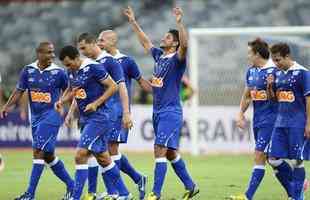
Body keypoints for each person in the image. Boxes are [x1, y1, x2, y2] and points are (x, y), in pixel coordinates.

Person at [124, 6, 198, 200]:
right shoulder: (159, 56)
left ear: (174, 44)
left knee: (159, 149)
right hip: (157, 111)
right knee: (171, 153)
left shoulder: (177, 59)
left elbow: (185, 46)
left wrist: (179, 23)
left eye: (167, 37)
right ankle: (190, 186)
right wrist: (133, 22)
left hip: (171, 112)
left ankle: (155, 194)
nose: (163, 39)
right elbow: (145, 42)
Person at [0, 42, 74, 200]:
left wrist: (64, 104)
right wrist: (6, 106)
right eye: (49, 52)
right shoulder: (28, 70)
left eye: (53, 52)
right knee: (48, 155)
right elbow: (19, 90)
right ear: (39, 53)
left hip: (52, 116)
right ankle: (72, 185)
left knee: (38, 152)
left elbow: (72, 89)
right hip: (35, 118)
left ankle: (30, 194)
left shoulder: (58, 72)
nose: (52, 56)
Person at [57, 45, 132, 200]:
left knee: (80, 154)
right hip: (86, 118)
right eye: (65, 65)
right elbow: (73, 89)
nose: (68, 67)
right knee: (103, 158)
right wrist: (62, 101)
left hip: (100, 117)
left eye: (69, 64)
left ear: (77, 57)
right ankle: (125, 193)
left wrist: (97, 103)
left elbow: (113, 86)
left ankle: (76, 197)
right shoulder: (71, 71)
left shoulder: (93, 67)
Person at [76, 32, 134, 200]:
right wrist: (73, 110)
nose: (82, 52)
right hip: (91, 114)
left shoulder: (110, 62)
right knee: (101, 154)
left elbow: (121, 87)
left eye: (84, 48)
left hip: (107, 114)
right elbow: (79, 90)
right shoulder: (88, 64)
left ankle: (107, 192)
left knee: (95, 152)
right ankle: (117, 192)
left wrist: (126, 113)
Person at [97, 29, 152, 200]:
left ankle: (115, 190)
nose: (98, 43)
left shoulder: (126, 61)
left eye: (101, 40)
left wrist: (160, 91)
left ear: (112, 42)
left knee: (110, 150)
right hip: (103, 111)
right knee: (103, 150)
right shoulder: (98, 61)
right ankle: (135, 179)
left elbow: (142, 82)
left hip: (118, 111)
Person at [229, 38, 278, 200]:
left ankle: (247, 196)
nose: (248, 56)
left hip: (272, 120)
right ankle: (297, 183)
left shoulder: (275, 70)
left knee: (259, 155)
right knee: (272, 159)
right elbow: (247, 96)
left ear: (257, 54)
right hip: (258, 121)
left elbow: (280, 98)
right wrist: (240, 114)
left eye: (250, 53)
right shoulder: (251, 71)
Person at [267, 43, 310, 200]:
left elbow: (308, 99)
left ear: (287, 56)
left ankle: (297, 197)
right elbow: (274, 99)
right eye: (274, 60)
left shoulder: (302, 73)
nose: (276, 63)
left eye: (278, 60)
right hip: (280, 123)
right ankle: (296, 188)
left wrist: (308, 123)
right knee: (272, 159)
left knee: (297, 161)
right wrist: (270, 86)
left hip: (297, 123)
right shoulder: (277, 74)